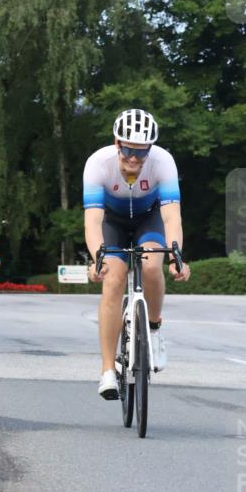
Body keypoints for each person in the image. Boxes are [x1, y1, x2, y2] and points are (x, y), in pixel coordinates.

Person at [83, 108, 190, 399]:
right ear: (117, 143)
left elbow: (171, 217)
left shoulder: (163, 162)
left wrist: (176, 256)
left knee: (152, 266)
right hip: (112, 222)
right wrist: (97, 258)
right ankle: (108, 370)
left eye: (141, 152)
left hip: (148, 219)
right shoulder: (97, 163)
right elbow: (93, 221)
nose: (134, 158)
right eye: (129, 150)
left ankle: (153, 329)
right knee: (113, 278)